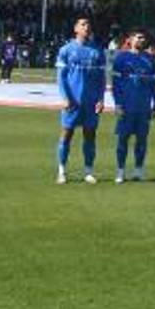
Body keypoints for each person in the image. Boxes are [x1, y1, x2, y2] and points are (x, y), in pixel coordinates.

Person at [54, 17, 106, 184]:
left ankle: (88, 171)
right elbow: (61, 77)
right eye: (83, 24)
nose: (86, 27)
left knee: (90, 136)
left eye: (88, 24)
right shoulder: (66, 50)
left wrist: (101, 99)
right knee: (66, 134)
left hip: (90, 102)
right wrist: (65, 97)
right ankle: (62, 170)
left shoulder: (97, 51)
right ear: (75, 28)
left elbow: (101, 79)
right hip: (72, 101)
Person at [112, 29, 155, 183]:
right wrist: (117, 103)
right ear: (130, 39)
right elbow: (115, 84)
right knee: (123, 139)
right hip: (126, 106)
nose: (141, 40)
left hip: (143, 106)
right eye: (138, 37)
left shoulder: (150, 59)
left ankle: (138, 170)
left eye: (143, 38)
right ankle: (120, 171)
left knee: (142, 140)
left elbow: (154, 85)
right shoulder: (121, 58)